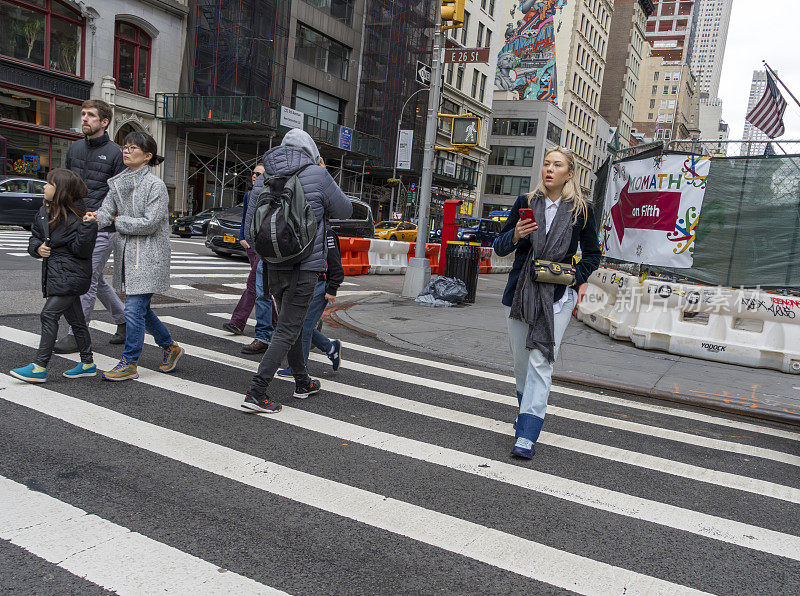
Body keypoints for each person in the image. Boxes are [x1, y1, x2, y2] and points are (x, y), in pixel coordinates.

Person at [493, 147, 601, 459]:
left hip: (557, 297)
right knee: (522, 364)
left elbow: (593, 253)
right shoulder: (525, 202)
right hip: (520, 293)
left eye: (557, 165)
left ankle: (527, 433)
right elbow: (499, 247)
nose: (549, 169)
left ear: (570, 172)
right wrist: (515, 233)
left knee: (541, 363)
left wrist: (573, 277)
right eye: (546, 163)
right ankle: (527, 412)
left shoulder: (582, 210)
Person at [241, 129, 352, 414]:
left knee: (288, 325)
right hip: (305, 266)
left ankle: (302, 382)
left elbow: (252, 230)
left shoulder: (264, 177)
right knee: (288, 328)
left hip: (273, 265)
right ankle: (257, 390)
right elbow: (346, 210)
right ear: (310, 151)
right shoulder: (316, 174)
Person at [84, 131, 184, 381]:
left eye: (133, 148)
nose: (126, 151)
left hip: (150, 256)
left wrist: (117, 220)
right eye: (125, 146)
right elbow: (106, 213)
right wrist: (94, 218)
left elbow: (149, 223)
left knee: (133, 308)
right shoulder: (118, 182)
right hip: (128, 255)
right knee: (140, 309)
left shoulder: (156, 186)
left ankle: (129, 362)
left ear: (147, 156)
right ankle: (170, 347)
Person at [10, 169, 98, 383]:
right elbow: (35, 237)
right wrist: (37, 248)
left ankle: (40, 367)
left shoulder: (80, 218)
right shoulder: (43, 212)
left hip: (72, 276)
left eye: (49, 184)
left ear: (61, 191)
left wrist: (89, 227)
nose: (44, 187)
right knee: (76, 321)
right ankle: (87, 364)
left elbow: (82, 251)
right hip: (56, 275)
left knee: (49, 315)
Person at [54, 99, 127, 354]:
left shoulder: (117, 153)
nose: (84, 118)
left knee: (85, 281)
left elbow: (118, 194)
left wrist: (102, 217)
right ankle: (125, 320)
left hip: (101, 229)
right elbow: (65, 186)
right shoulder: (74, 149)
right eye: (83, 114)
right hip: (74, 225)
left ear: (104, 122)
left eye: (91, 115)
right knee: (94, 279)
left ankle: (77, 333)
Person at [222, 163, 276, 355]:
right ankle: (273, 324)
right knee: (261, 287)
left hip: (263, 247)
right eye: (253, 173)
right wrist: (242, 237)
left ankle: (238, 321)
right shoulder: (248, 195)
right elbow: (246, 217)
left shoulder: (270, 194)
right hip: (251, 245)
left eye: (259, 174)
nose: (255, 176)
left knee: (255, 285)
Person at [277, 227, 344, 377]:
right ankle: (330, 348)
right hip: (304, 283)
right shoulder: (305, 227)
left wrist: (332, 288)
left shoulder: (327, 233)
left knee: (304, 325)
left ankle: (300, 367)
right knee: (301, 325)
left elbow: (335, 262)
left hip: (320, 284)